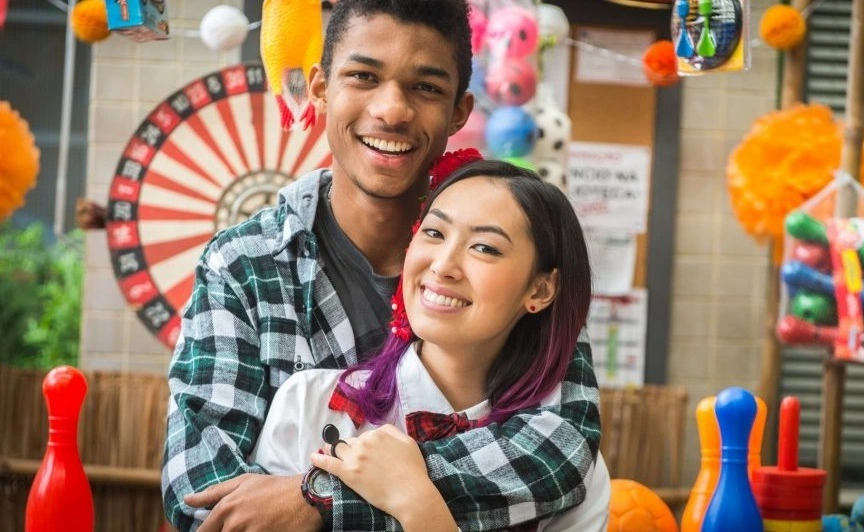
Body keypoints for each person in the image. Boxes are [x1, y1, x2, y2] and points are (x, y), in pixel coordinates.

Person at [161, 0, 602, 530]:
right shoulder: (244, 264)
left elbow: (559, 449)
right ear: (321, 86)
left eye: (426, 88)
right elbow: (204, 493)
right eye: (364, 76)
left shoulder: (509, 265)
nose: (392, 110)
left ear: (460, 111)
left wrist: (322, 498)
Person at [251, 160, 610, 531]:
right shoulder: (309, 404)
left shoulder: (568, 470)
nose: (443, 266)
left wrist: (418, 503)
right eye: (435, 233)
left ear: (540, 289)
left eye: (485, 247)